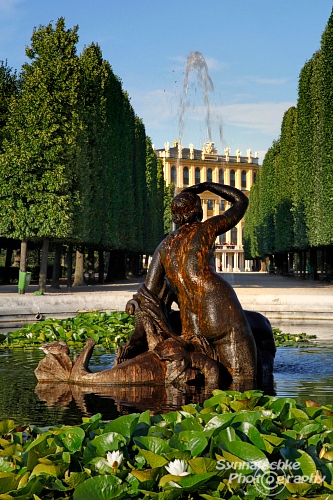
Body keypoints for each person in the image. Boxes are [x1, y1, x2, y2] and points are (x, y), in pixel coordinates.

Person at [144, 181, 257, 386]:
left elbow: (148, 293)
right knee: (244, 377)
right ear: (198, 210)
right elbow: (241, 200)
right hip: (218, 308)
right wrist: (206, 185)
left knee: (201, 381)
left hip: (190, 323)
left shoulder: (164, 245)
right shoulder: (207, 228)